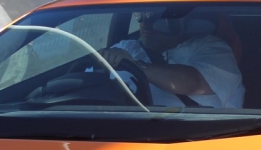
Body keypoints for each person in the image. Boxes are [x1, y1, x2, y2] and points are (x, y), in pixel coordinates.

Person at [99, 10, 244, 108]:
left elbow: (194, 83)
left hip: (200, 140)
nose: (145, 23)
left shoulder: (213, 48)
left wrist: (136, 66)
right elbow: (91, 76)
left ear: (180, 22)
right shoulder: (126, 47)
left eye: (154, 16)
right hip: (119, 132)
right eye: (140, 15)